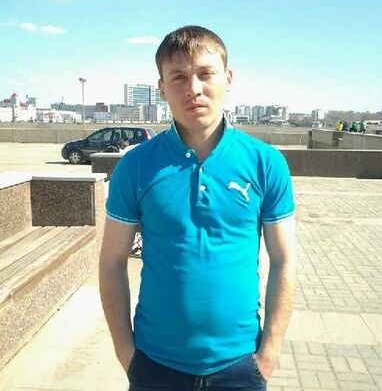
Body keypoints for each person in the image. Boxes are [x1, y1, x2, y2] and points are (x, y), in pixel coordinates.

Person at [99, 25, 297, 391]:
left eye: (205, 74)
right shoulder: (136, 166)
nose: (193, 88)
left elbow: (284, 259)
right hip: (155, 365)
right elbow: (112, 261)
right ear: (161, 88)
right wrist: (127, 354)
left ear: (228, 78)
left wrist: (269, 353)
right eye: (178, 77)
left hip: (240, 365)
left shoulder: (265, 163)